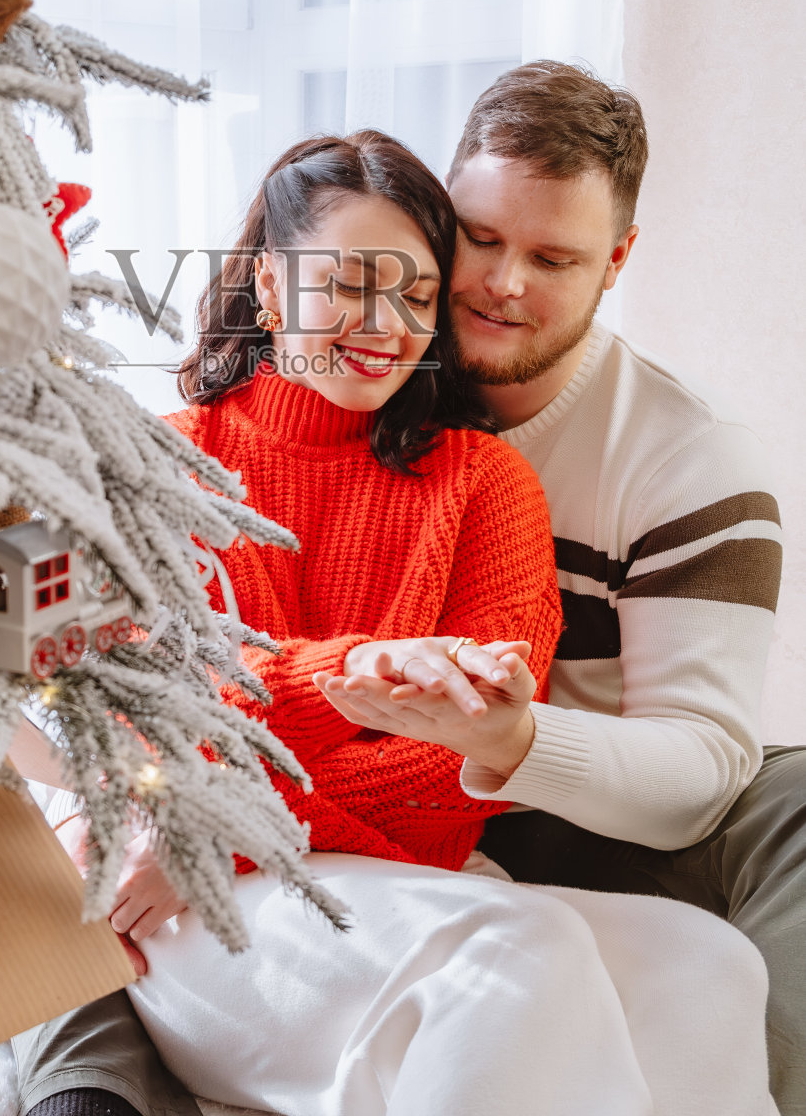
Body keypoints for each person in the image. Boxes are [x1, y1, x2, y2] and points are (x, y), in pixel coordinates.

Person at [13, 130, 775, 1116]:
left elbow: (454, 767)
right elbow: (115, 713)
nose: (384, 326)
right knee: (510, 955)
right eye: (349, 284)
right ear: (267, 283)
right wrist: (353, 681)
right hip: (185, 889)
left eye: (416, 296)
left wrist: (248, 807)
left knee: (702, 962)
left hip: (372, 865)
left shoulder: (480, 480)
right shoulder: (150, 466)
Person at [316, 61, 804, 1116]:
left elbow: (703, 764)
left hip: (578, 799)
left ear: (616, 260)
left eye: (552, 257)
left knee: (792, 791)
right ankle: (86, 1085)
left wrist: (513, 743)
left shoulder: (689, 457)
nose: (502, 283)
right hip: (359, 785)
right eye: (480, 239)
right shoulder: (358, 368)